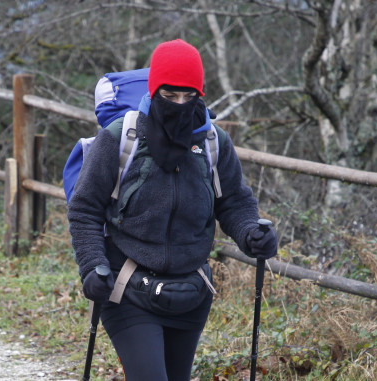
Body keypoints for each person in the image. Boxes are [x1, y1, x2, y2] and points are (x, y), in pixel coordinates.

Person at [66, 39, 278, 381]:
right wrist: (93, 266)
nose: (180, 104)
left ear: (200, 94)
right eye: (169, 95)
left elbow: (234, 202)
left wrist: (251, 233)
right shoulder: (121, 138)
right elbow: (84, 208)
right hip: (126, 287)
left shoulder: (213, 142)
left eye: (188, 96)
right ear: (154, 91)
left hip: (190, 293)